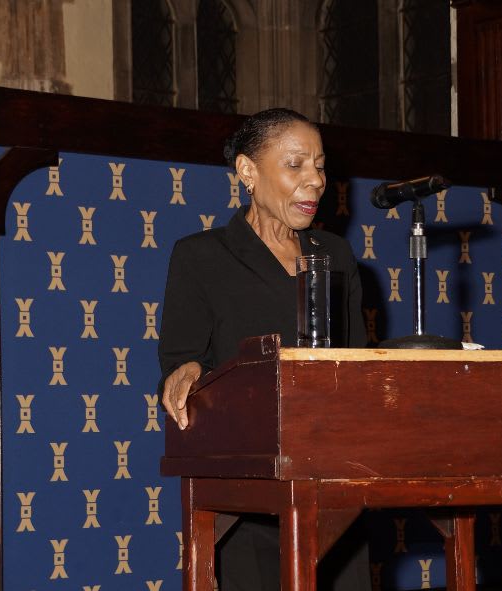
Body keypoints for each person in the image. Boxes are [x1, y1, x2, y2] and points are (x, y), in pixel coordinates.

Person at [158, 108, 370, 591]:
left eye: (319, 165)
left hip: (333, 482)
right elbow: (180, 360)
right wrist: (186, 375)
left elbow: (357, 361)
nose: (315, 180)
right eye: (296, 165)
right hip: (250, 493)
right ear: (248, 171)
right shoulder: (201, 256)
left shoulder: (334, 254)